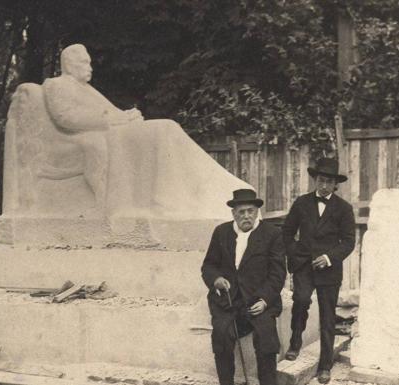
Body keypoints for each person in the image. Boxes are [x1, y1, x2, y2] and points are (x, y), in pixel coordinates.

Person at [40, 44, 251, 221]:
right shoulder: (56, 85)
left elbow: (112, 112)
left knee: (165, 127)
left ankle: (194, 192)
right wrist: (112, 120)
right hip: (89, 137)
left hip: (113, 132)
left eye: (90, 62)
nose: (90, 68)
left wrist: (127, 115)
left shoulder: (88, 89)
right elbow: (65, 118)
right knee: (161, 130)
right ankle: (164, 200)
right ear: (68, 65)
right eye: (84, 63)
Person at [282, 158, 356, 384]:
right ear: (315, 180)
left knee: (327, 316)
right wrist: (296, 255)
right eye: (321, 180)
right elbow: (286, 233)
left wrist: (328, 258)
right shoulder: (302, 203)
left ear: (335, 184)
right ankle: (295, 342)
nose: (324, 185)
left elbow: (349, 242)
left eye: (329, 182)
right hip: (304, 265)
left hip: (329, 271)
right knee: (301, 301)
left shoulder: (344, 208)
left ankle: (325, 365)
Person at [201, 189, 286, 385]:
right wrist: (216, 279)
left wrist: (265, 300)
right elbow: (209, 265)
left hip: (259, 301)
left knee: (267, 338)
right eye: (241, 212)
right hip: (228, 301)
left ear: (257, 212)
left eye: (250, 211)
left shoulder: (272, 234)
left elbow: (278, 273)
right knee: (221, 335)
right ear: (233, 213)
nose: (246, 216)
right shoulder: (221, 232)